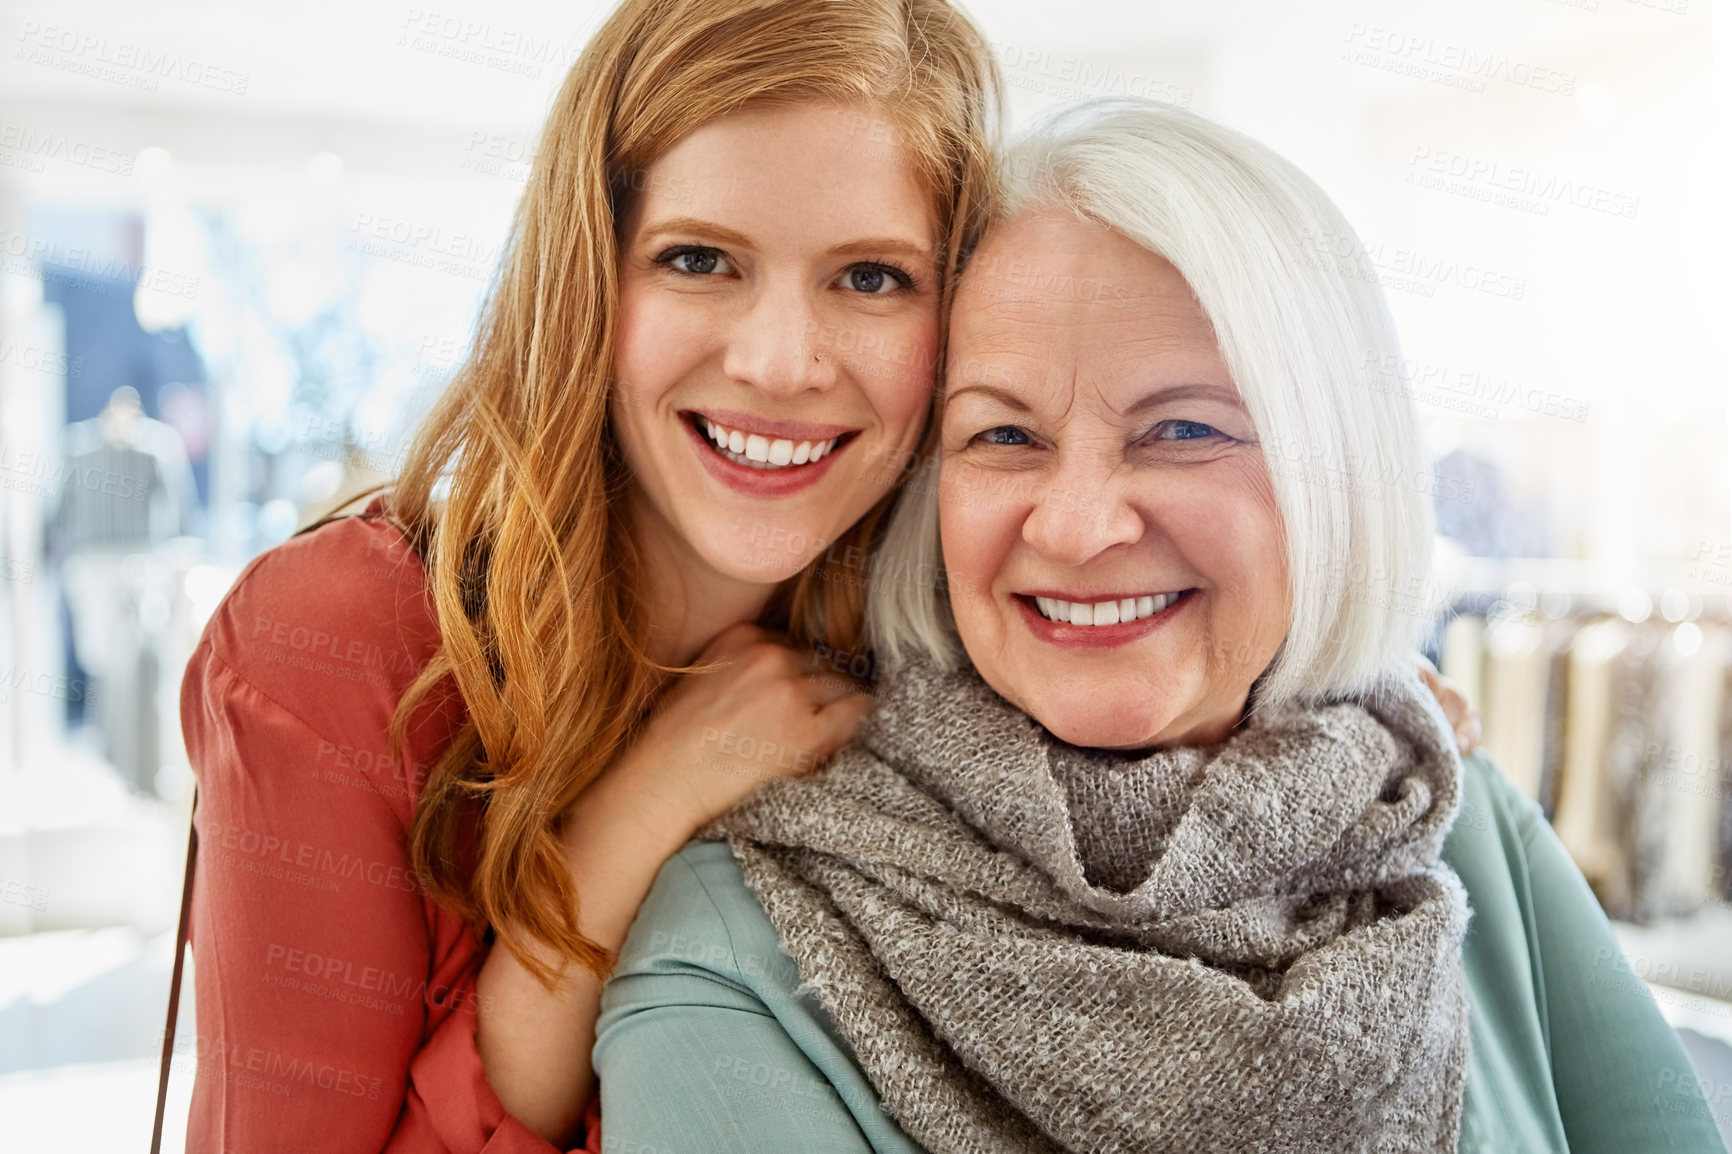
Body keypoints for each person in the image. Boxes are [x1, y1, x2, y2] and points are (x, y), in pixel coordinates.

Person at [592, 99, 1730, 1153]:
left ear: (1334, 475)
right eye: (1002, 436)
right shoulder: (739, 946)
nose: (1079, 525)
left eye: (1183, 430)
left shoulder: (1458, 819)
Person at [177, 1, 1001, 1150]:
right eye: (699, 259)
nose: (777, 362)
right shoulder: (338, 649)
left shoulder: (962, 656)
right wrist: (626, 830)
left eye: (870, 278)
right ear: (589, 278)